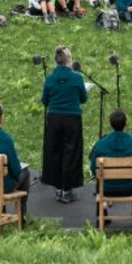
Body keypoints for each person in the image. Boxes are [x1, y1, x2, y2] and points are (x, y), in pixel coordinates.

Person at [42, 47, 89, 203]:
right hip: (72, 118)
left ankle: (57, 187)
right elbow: (83, 98)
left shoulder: (50, 79)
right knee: (71, 152)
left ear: (56, 61)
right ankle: (68, 189)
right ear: (69, 60)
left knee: (55, 151)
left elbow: (45, 101)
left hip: (54, 118)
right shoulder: (76, 78)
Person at [88, 109, 132, 221]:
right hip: (130, 188)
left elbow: (93, 169)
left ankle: (102, 216)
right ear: (126, 124)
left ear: (110, 125)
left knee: (99, 179)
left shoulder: (101, 144)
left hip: (106, 188)